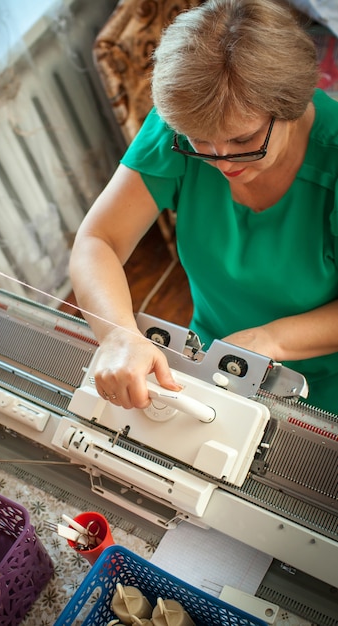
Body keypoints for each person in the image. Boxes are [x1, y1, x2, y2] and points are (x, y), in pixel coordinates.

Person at [70, 0, 338, 414]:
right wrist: (119, 334)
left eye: (243, 142)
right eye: (200, 143)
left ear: (294, 102)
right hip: (213, 360)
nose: (221, 163)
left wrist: (270, 340)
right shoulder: (187, 122)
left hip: (321, 385)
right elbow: (98, 240)